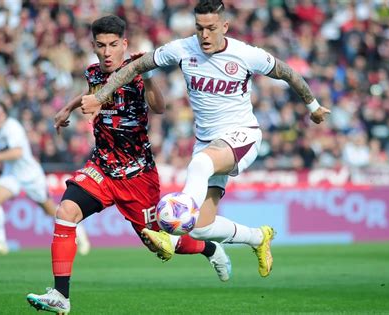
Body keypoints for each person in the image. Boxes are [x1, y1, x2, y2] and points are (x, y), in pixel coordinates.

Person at [81, 0, 331, 281]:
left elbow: (287, 73)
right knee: (200, 227)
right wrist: (100, 97)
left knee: (199, 164)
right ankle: (258, 237)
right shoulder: (182, 49)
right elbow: (136, 67)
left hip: (242, 135)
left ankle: (171, 228)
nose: (205, 35)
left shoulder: (245, 54)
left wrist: (314, 107)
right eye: (199, 28)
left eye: (211, 28)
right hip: (208, 143)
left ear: (224, 26)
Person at [26, 15, 231, 315]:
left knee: (163, 246)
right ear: (94, 46)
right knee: (66, 211)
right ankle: (60, 295)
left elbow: (159, 107)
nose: (107, 52)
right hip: (102, 168)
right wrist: (66, 108)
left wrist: (147, 74)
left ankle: (211, 248)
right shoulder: (94, 72)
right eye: (100, 46)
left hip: (137, 177)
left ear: (124, 44)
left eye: (112, 45)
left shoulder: (137, 73)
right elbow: (90, 91)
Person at [0, 101, 90, 256]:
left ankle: (80, 234)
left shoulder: (12, 127)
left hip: (30, 175)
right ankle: (0, 243)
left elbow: (17, 153)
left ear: (4, 114)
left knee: (51, 210)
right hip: (12, 174)